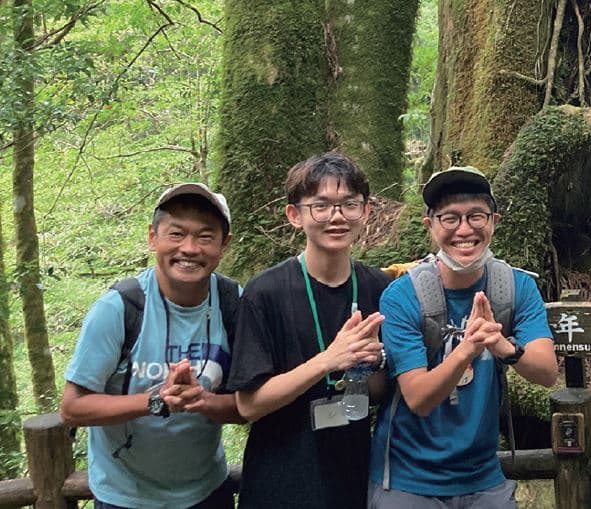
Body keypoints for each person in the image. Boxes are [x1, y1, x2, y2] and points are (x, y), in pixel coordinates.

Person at [368, 165, 557, 508]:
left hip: (483, 475)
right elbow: (418, 398)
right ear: (431, 226)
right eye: (450, 218)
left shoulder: (516, 287)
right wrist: (467, 349)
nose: (464, 230)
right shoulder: (402, 296)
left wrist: (504, 346)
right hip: (408, 477)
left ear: (494, 221)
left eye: (476, 216)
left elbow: (546, 372)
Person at [60, 183, 243, 509]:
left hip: (207, 491)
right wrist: (156, 400)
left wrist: (202, 400)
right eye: (176, 234)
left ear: (223, 244)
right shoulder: (120, 308)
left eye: (205, 236)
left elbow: (248, 404)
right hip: (127, 496)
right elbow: (72, 407)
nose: (189, 248)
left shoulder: (233, 303)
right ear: (152, 237)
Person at [227, 151, 390, 508]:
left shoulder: (380, 288)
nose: (336, 216)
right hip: (279, 483)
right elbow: (248, 405)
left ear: (365, 211)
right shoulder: (264, 292)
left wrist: (369, 364)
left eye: (349, 204)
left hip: (353, 480)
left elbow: (378, 392)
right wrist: (327, 360)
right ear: (295, 215)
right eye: (321, 205)